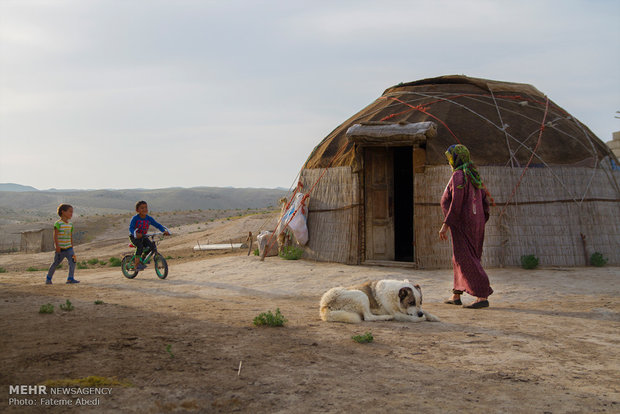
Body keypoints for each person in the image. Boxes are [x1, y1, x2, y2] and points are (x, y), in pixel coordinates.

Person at [439, 144, 493, 308]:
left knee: (466, 259)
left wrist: (446, 224)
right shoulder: (474, 176)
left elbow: (457, 202)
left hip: (462, 223)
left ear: (456, 159)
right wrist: (480, 220)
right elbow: (485, 202)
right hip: (475, 223)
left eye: (450, 158)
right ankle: (456, 294)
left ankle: (482, 296)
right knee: (461, 258)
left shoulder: (459, 176)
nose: (449, 161)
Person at [129, 201, 170, 270]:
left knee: (151, 247)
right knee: (140, 247)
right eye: (142, 208)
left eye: (146, 207)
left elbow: (157, 225)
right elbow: (131, 228)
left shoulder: (149, 218)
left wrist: (164, 231)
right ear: (137, 210)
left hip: (144, 236)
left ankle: (142, 258)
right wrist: (135, 234)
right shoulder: (135, 218)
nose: (144, 209)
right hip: (134, 237)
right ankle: (136, 265)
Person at [45, 204, 79, 284]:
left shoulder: (70, 225)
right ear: (63, 212)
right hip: (61, 249)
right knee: (55, 263)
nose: (71, 214)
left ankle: (70, 278)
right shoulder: (58, 224)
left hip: (69, 248)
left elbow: (70, 236)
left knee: (73, 262)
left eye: (72, 212)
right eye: (70, 212)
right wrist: (57, 246)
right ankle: (48, 278)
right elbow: (55, 236)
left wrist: (71, 246)